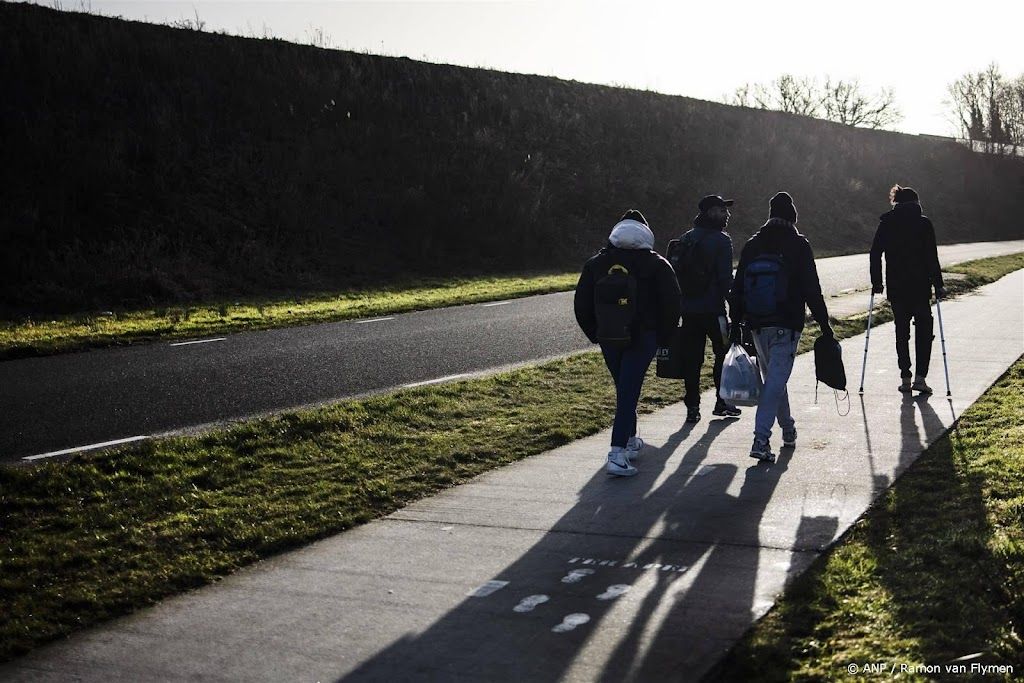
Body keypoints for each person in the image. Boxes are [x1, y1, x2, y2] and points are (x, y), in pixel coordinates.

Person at [574, 210, 681, 476]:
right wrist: (663, 337)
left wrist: (595, 333)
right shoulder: (657, 264)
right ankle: (617, 453)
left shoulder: (596, 264)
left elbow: (581, 305)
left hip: (609, 335)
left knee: (625, 387)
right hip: (644, 335)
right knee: (628, 392)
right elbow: (672, 303)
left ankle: (631, 440)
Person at [729, 192, 833, 463]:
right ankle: (760, 439)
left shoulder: (753, 245)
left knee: (775, 379)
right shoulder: (798, 245)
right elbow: (812, 288)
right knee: (776, 380)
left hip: (757, 323)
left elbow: (737, 287)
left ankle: (788, 430)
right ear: (793, 217)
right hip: (786, 323)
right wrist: (825, 324)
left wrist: (735, 322)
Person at [669, 194, 742, 424]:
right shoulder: (722, 240)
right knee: (723, 353)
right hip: (713, 309)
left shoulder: (686, 238)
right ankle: (722, 402)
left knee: (692, 359)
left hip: (688, 310)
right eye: (722, 210)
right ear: (711, 212)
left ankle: (692, 406)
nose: (727, 214)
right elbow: (725, 279)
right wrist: (736, 306)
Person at [869, 185, 945, 394]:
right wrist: (938, 284)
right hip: (920, 287)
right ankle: (920, 378)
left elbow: (875, 253)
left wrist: (877, 282)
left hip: (897, 287)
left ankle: (905, 378)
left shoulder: (887, 223)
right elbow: (932, 257)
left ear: (897, 202)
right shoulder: (924, 223)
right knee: (924, 331)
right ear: (916, 203)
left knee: (901, 332)